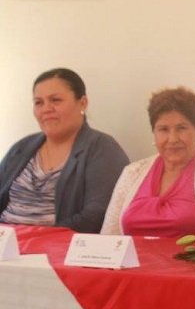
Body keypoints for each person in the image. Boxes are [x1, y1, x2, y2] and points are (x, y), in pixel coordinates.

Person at [102, 87, 195, 236]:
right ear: (153, 131)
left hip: (193, 260)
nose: (173, 139)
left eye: (181, 128)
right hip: (134, 260)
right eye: (163, 129)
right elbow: (108, 238)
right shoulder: (132, 173)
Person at [0, 68, 129, 232]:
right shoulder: (21, 148)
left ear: (82, 103)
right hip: (6, 246)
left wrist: (36, 238)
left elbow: (96, 216)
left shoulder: (102, 148)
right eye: (39, 102)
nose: (46, 109)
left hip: (56, 249)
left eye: (55, 100)